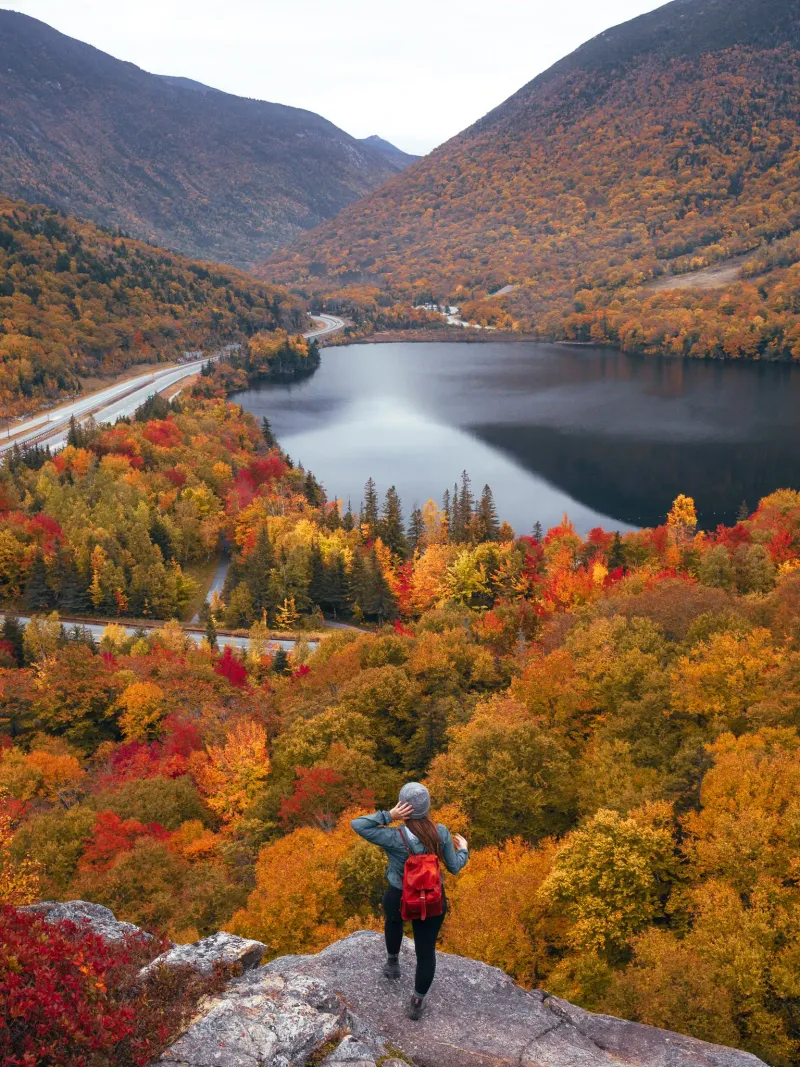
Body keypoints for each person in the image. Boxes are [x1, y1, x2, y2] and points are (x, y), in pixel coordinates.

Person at [351, 781, 469, 1020]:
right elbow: (455, 867)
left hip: (399, 894)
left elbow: (358, 824)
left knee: (393, 923)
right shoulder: (440, 832)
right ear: (427, 807)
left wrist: (388, 815)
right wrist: (464, 849)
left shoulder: (393, 837)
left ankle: (393, 964)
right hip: (433, 899)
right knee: (426, 952)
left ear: (403, 807)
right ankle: (416, 1002)